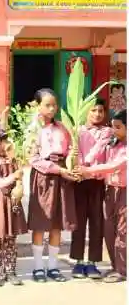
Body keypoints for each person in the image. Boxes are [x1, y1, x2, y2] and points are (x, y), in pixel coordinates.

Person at [27, 88, 79, 283]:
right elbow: (32, 158)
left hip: (62, 177)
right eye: (47, 105)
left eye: (54, 105)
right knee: (41, 223)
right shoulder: (32, 130)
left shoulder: (63, 128)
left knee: (57, 223)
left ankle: (53, 267)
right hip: (43, 178)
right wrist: (58, 169)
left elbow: (70, 150)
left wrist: (71, 162)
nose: (52, 108)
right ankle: (38, 267)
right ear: (37, 106)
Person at [79, 109, 126, 283]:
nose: (114, 130)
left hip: (123, 192)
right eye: (113, 127)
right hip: (109, 191)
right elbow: (102, 161)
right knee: (108, 230)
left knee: (122, 232)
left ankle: (122, 270)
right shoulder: (113, 144)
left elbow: (113, 166)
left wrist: (87, 170)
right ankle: (116, 266)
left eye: (118, 127)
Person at [71, 99, 112, 279]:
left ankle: (93, 262)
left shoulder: (107, 131)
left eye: (100, 111)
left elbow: (99, 149)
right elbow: (75, 151)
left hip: (97, 181)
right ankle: (78, 261)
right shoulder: (78, 131)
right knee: (78, 222)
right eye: (93, 110)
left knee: (97, 222)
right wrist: (80, 168)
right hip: (80, 181)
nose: (97, 114)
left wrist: (86, 166)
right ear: (86, 112)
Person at [0, 131, 28, 287]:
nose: (5, 144)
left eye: (5, 140)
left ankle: (10, 270)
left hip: (12, 201)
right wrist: (14, 176)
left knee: (11, 237)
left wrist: (19, 181)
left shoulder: (13, 160)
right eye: (0, 141)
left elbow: (19, 177)